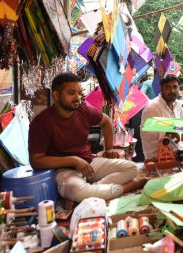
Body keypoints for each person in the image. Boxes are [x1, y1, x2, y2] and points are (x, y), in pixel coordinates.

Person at [29, 73, 147, 203]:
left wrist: (108, 149)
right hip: (63, 171)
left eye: (79, 93)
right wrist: (73, 160)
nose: (77, 98)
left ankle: (93, 190)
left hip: (90, 163)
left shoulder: (83, 110)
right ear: (56, 95)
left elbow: (106, 121)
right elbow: (36, 161)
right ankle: (125, 188)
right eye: (71, 93)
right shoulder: (41, 122)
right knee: (77, 191)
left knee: (132, 168)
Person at [140, 74, 183, 161]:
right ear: (161, 89)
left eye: (175, 87)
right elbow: (146, 134)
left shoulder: (178, 105)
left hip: (177, 153)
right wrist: (168, 130)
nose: (172, 91)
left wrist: (181, 141)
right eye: (167, 87)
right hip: (156, 157)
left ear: (178, 88)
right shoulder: (152, 107)